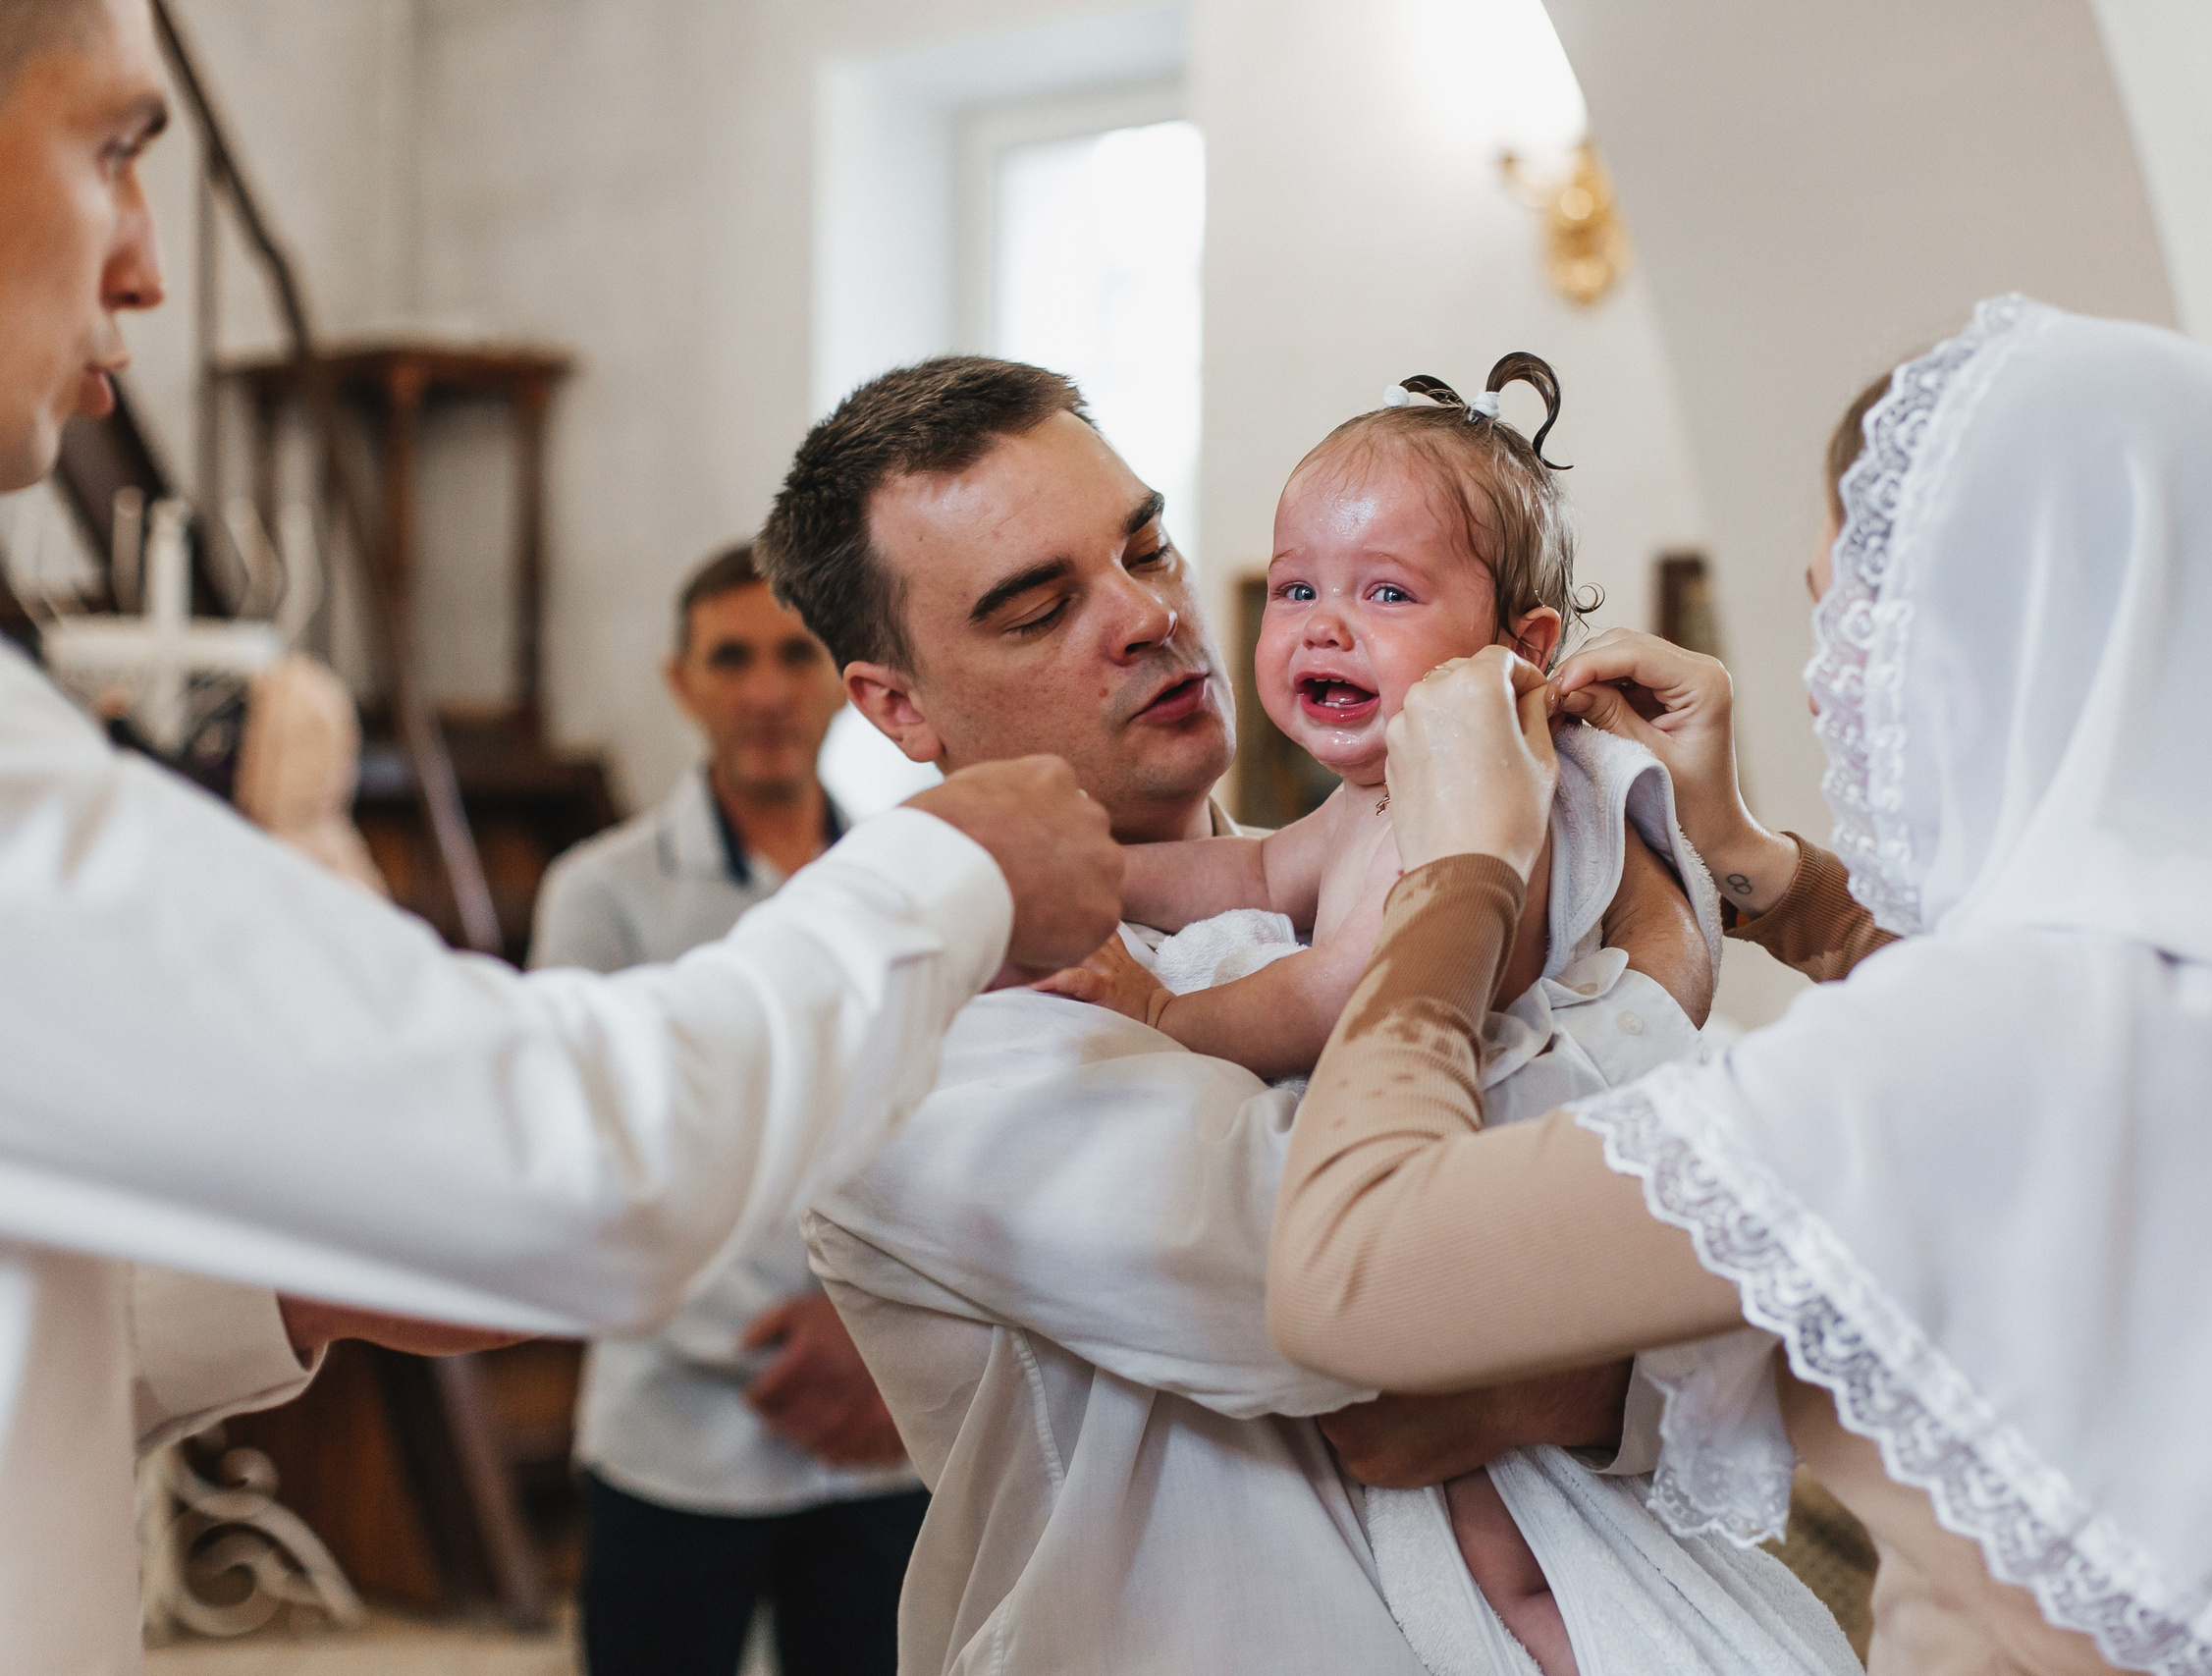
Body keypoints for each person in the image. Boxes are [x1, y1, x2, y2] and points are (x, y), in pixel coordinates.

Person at [0, 5, 1123, 1669]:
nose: (151, 266)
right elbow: (576, 1160)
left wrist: (278, 1290)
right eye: (112, 152)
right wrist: (951, 864)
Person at [1265, 298, 2212, 1675]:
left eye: (1851, 621)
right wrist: (1751, 861)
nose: (1826, 686)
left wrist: (1461, 868)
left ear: (1979, 644)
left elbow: (1348, 1271)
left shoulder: (1954, 1051)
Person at [754, 354, 1848, 1675]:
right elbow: (1358, 1275)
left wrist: (1587, 1372)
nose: (1149, 617)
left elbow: (1769, 1214)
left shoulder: (1361, 865)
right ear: (896, 704)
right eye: (1040, 606)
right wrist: (1659, 964)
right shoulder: (923, 1021)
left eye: (1148, 549)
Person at [1036, 354, 1741, 1673]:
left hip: (1507, 1173)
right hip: (1439, 1200)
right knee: (1457, 1499)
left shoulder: (1499, 788)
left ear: (1520, 651)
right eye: (1296, 586)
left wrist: (1160, 1013)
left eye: (1385, 592)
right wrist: (1071, 863)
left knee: (1517, 1532)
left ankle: (1567, 1640)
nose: (1321, 625)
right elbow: (1244, 873)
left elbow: (1338, 986)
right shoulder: (1360, 803)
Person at [533, 544, 926, 1676]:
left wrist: (876, 1340)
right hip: (676, 1435)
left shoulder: (907, 885)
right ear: (682, 682)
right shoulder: (602, 896)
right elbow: (596, 1163)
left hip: (882, 1436)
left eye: (792, 656)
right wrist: (782, 1341)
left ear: (842, 676)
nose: (764, 691)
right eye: (730, 658)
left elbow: (937, 1136)